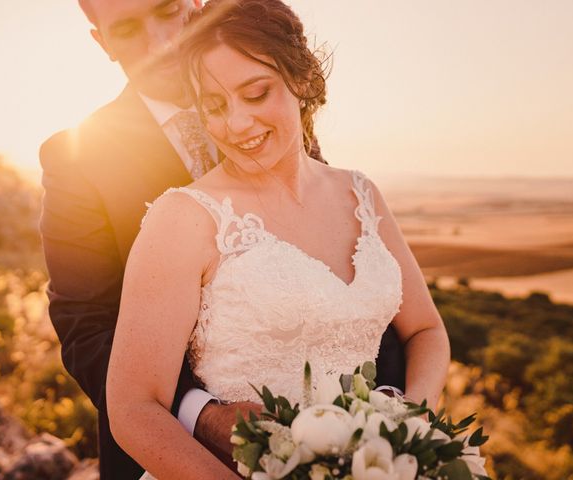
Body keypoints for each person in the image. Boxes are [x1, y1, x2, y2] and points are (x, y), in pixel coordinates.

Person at [39, 0, 407, 477]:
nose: (160, 41)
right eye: (128, 30)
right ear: (101, 42)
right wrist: (203, 415)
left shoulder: (270, 103)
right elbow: (85, 322)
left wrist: (389, 427)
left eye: (168, 10)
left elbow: (338, 275)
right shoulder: (78, 156)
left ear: (194, 4)